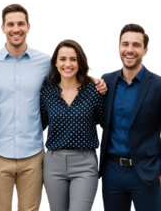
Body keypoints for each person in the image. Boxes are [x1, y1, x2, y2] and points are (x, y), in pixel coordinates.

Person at [0, 3, 107, 210]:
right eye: (11, 24)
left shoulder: (45, 61)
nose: (16, 29)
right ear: (2, 28)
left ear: (29, 27)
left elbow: (69, 72)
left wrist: (96, 81)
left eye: (21, 24)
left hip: (33, 154)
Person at [99, 23, 161, 210]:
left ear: (146, 50)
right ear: (118, 48)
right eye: (125, 44)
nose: (130, 50)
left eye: (136, 45)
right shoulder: (106, 81)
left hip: (146, 172)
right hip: (111, 172)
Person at [40, 39, 104, 210]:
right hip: (53, 163)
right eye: (62, 59)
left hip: (85, 163)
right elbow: (39, 125)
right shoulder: (47, 91)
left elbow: (106, 123)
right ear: (55, 62)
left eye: (73, 59)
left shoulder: (93, 90)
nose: (67, 64)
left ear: (80, 62)